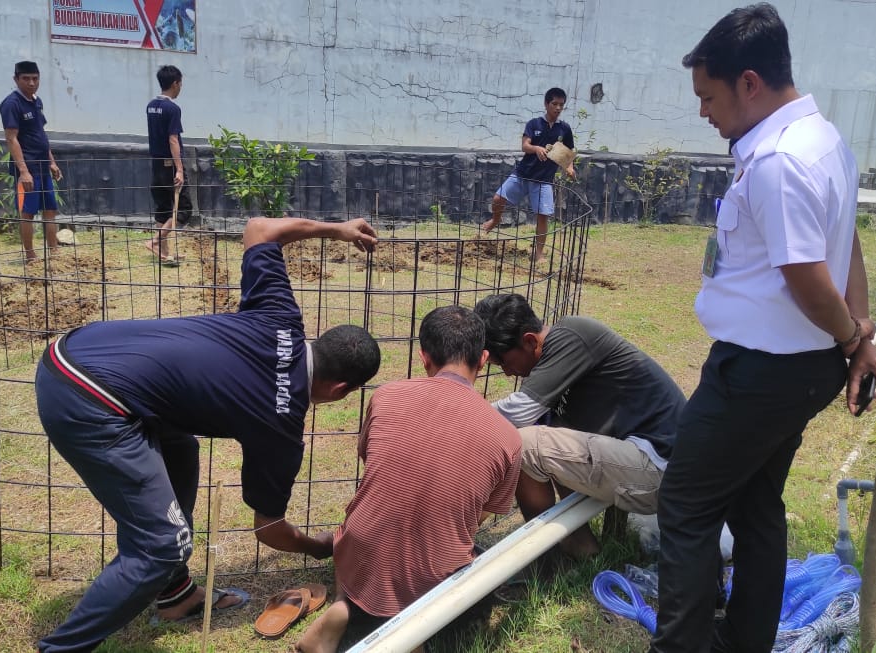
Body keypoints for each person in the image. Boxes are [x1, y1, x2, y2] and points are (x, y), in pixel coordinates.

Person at [650, 5, 876, 652]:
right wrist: (859, 340)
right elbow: (849, 245)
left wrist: (849, 336)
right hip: (799, 369)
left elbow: (811, 274)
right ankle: (745, 640)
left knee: (686, 505)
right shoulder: (824, 141)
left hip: (760, 371)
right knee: (755, 503)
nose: (704, 112)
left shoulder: (781, 159)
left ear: (749, 83)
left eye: (708, 96)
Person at [34, 216, 382, 652]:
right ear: (341, 390)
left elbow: (257, 228)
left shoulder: (280, 316)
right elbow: (269, 528)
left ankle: (175, 596)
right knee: (161, 543)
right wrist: (321, 547)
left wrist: (337, 230)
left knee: (180, 447)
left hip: (77, 350)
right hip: (88, 400)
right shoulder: (282, 425)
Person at [295, 305, 522, 653]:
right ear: (484, 358)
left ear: (424, 357)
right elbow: (479, 516)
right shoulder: (507, 437)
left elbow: (372, 460)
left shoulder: (386, 396)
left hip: (359, 554)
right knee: (474, 570)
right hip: (431, 579)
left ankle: (345, 606)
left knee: (355, 528)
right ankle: (410, 635)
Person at [473, 293, 686, 558]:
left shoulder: (572, 336)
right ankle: (582, 550)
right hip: (648, 462)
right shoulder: (563, 348)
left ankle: (552, 556)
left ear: (529, 341)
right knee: (548, 433)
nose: (506, 372)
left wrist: (458, 418)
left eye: (503, 361)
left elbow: (517, 413)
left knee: (525, 444)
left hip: (661, 469)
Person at [481, 88, 577, 263]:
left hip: (543, 181)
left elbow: (569, 152)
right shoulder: (534, 124)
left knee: (543, 215)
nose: (557, 108)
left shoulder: (564, 129)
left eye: (561, 105)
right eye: (554, 104)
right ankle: (495, 220)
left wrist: (569, 167)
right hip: (523, 174)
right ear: (546, 104)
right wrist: (536, 148)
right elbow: (525, 145)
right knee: (497, 199)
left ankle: (538, 254)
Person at [0, 61, 61, 263]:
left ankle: (54, 251)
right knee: (28, 212)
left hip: (43, 165)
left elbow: (40, 133)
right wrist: (24, 171)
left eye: (35, 78)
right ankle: (30, 255)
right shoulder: (11, 104)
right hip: (28, 167)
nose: (31, 83)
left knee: (50, 209)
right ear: (16, 79)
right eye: (26, 78)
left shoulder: (36, 101)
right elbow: (11, 138)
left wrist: (51, 161)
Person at [145, 65, 193, 264]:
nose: (181, 87)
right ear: (175, 83)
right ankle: (156, 241)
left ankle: (164, 253)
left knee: (163, 208)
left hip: (156, 163)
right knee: (185, 208)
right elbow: (173, 139)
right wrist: (179, 169)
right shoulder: (172, 108)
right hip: (169, 164)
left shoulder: (151, 105)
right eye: (180, 83)